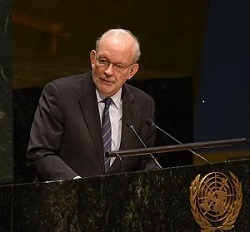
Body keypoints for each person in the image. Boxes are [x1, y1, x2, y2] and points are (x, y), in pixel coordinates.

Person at [26, 28, 161, 181]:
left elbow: (144, 159)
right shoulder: (60, 94)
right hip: (66, 199)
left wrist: (154, 172)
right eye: (103, 61)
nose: (108, 71)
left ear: (132, 71)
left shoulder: (144, 104)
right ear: (93, 58)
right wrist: (78, 185)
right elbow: (40, 153)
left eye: (118, 66)